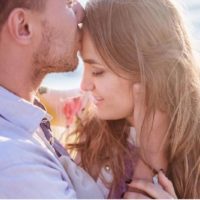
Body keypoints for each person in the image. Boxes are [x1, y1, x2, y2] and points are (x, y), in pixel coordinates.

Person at [64, 0, 200, 198]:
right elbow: (21, 97)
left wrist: (152, 157)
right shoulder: (90, 117)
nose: (84, 85)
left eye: (98, 71)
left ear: (147, 70)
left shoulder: (193, 146)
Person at [0, 0, 104, 198]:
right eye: (68, 3)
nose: (80, 12)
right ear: (24, 27)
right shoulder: (16, 165)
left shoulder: (22, 116)